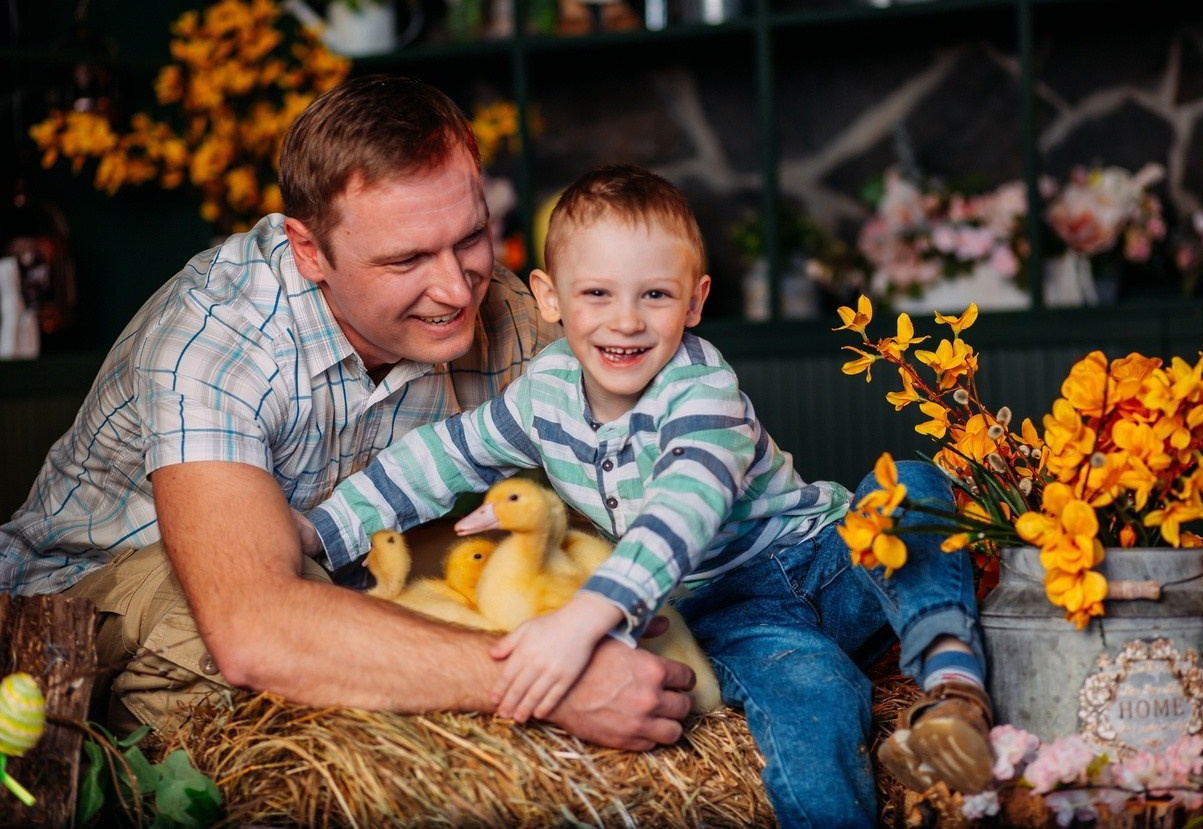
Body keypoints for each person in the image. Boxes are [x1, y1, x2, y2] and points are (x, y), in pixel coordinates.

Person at [0, 75, 698, 751]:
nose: (456, 287)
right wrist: (551, 683)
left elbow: (654, 461)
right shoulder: (215, 334)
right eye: (406, 260)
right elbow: (255, 626)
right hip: (84, 607)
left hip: (344, 579)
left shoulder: (510, 314)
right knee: (250, 658)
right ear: (310, 251)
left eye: (470, 238)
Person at [305, 163, 995, 826]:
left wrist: (583, 620)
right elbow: (439, 458)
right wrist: (321, 531)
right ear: (550, 298)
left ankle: (953, 689)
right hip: (729, 610)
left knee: (910, 483)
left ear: (695, 299)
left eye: (655, 295)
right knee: (814, 698)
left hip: (826, 553)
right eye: (597, 294)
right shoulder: (544, 396)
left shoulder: (702, 388)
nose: (626, 321)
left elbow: (682, 507)